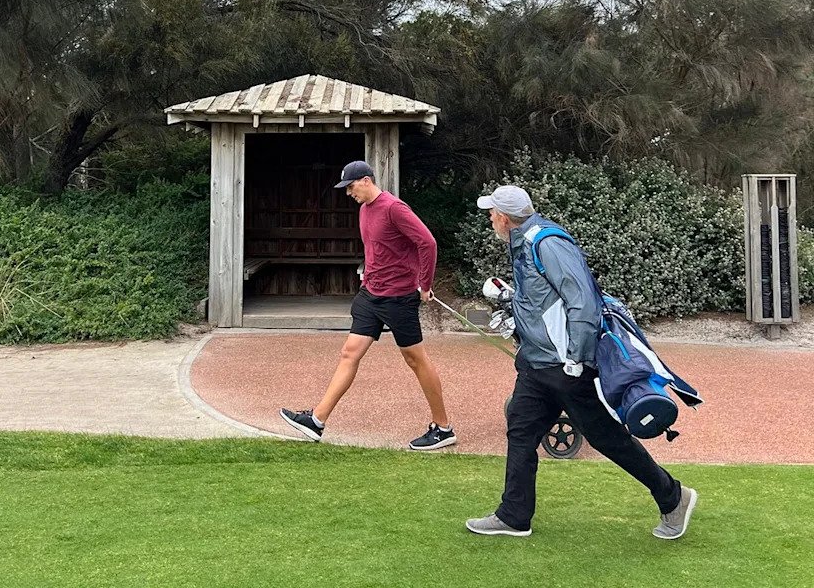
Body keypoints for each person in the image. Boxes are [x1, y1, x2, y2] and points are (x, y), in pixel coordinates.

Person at [465, 185, 697, 541]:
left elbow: (583, 303)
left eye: (493, 212)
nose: (491, 218)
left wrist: (576, 358)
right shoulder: (524, 244)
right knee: (521, 431)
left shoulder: (547, 243)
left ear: (506, 217)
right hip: (537, 365)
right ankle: (514, 515)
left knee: (607, 438)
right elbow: (545, 299)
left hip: (565, 367)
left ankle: (672, 496)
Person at [280, 160, 456, 451]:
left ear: (365, 180)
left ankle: (443, 428)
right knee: (349, 353)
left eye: (350, 187)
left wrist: (425, 284)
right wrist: (368, 281)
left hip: (399, 297)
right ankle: (317, 421)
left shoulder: (394, 208)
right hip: (370, 295)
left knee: (415, 360)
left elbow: (428, 243)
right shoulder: (364, 210)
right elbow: (376, 250)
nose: (349, 193)